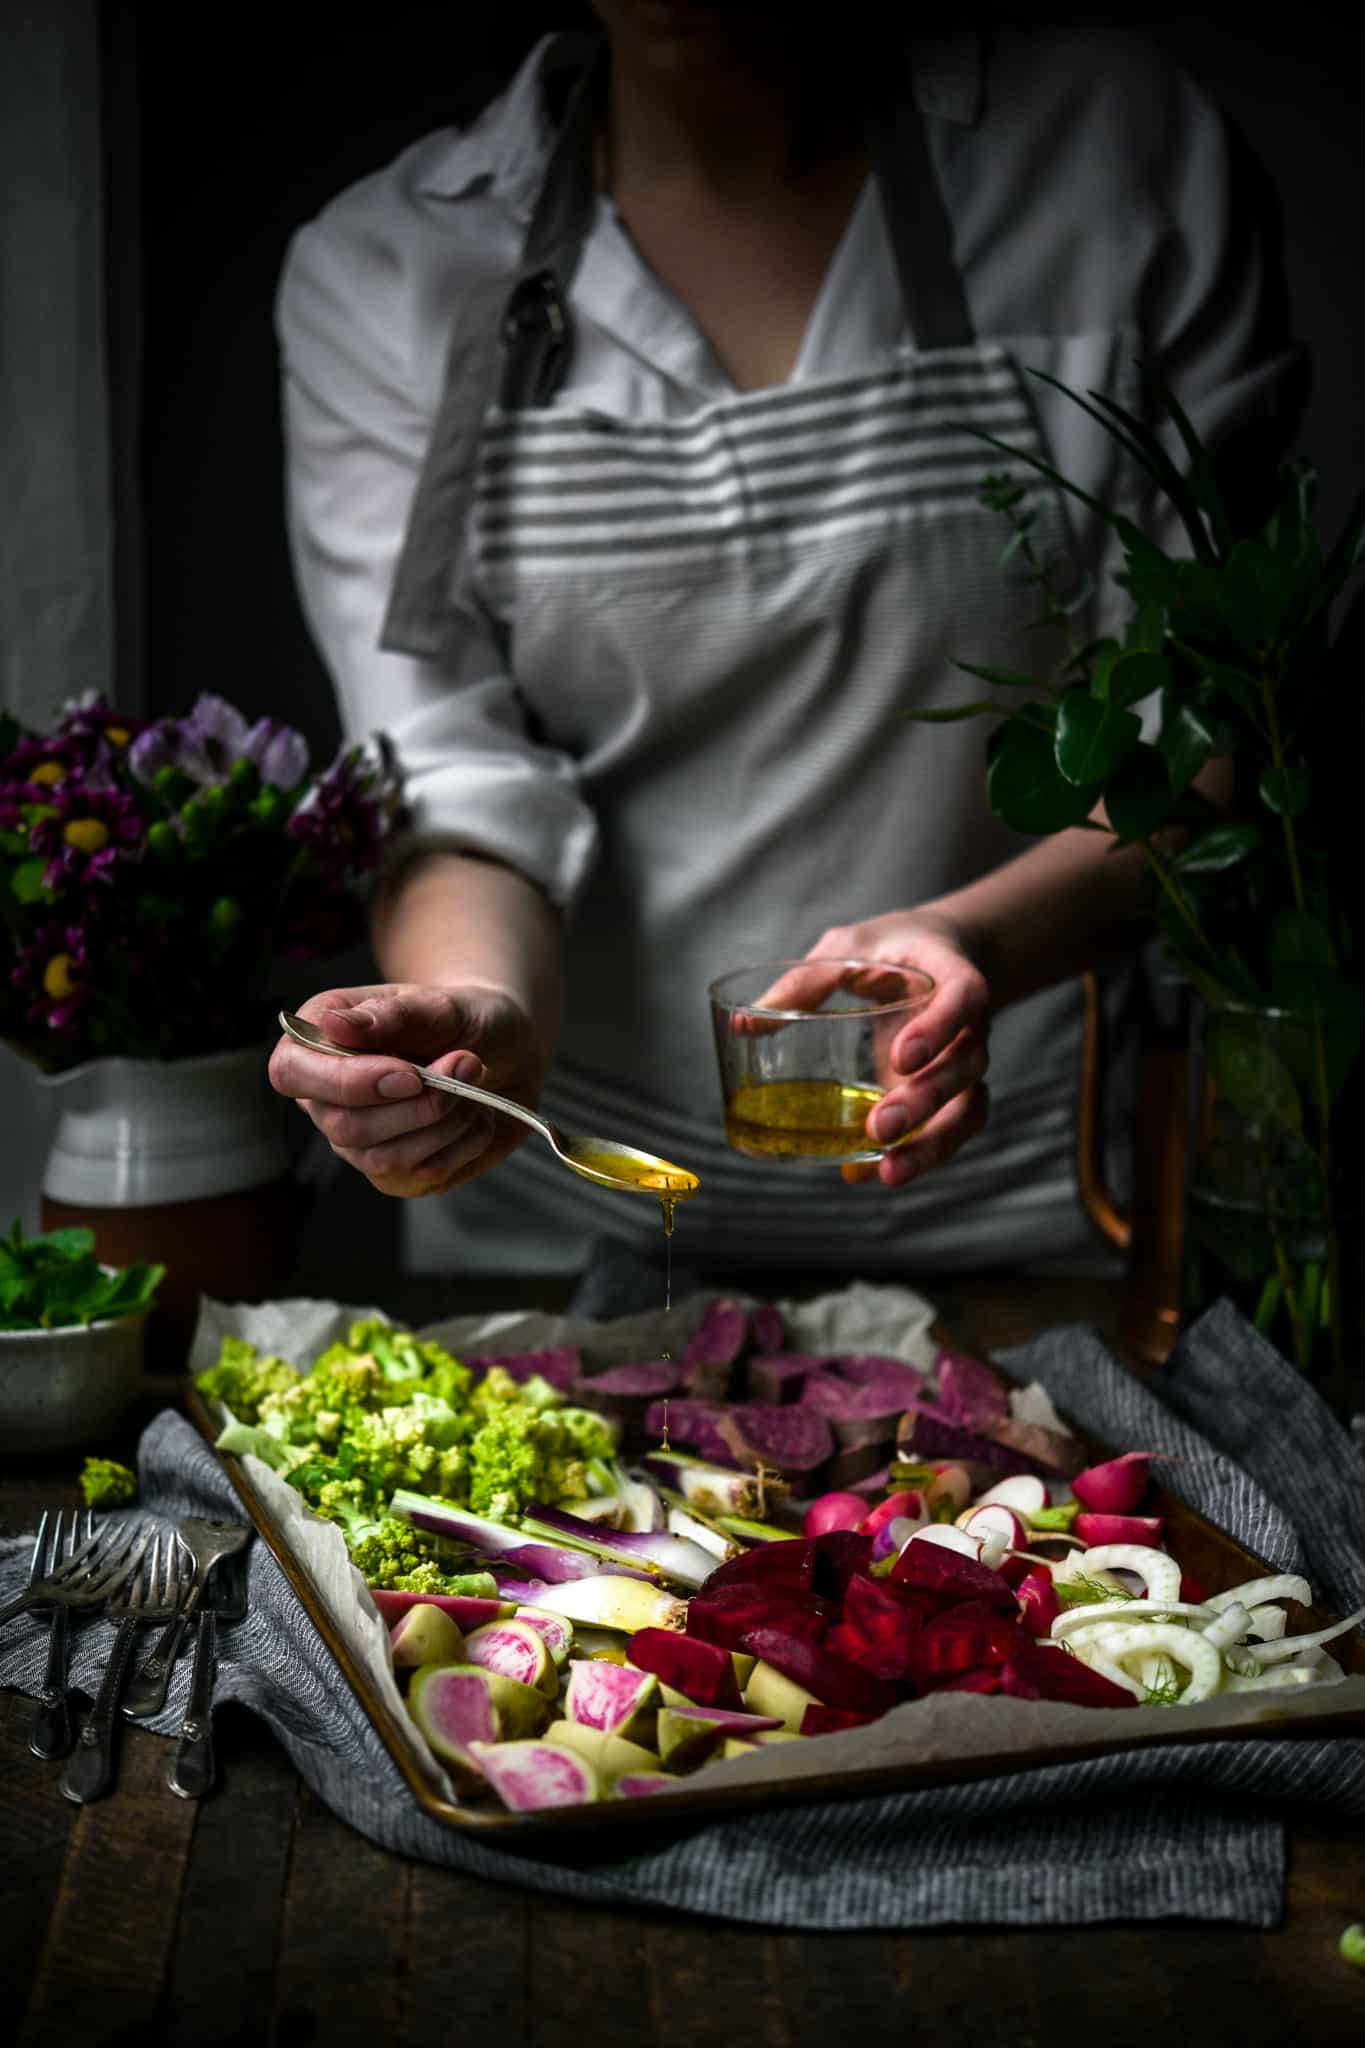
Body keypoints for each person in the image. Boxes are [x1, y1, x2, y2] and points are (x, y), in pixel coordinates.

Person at [268, 4, 1302, 1283]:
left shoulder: (1120, 152)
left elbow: (1203, 746)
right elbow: (450, 776)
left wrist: (971, 941)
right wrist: (482, 1020)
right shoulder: (384, 266)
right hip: (559, 1242)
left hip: (1040, 1236)